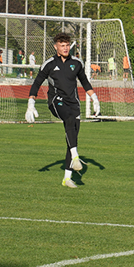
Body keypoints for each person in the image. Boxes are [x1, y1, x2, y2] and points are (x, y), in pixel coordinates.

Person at [25, 33, 101, 189]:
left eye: (67, 45)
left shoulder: (77, 63)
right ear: (56, 47)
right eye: (62, 45)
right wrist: (31, 103)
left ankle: (67, 178)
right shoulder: (49, 64)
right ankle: (76, 156)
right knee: (69, 119)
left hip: (74, 104)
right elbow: (37, 83)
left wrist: (95, 98)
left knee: (72, 138)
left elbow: (85, 82)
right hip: (56, 101)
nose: (65, 48)